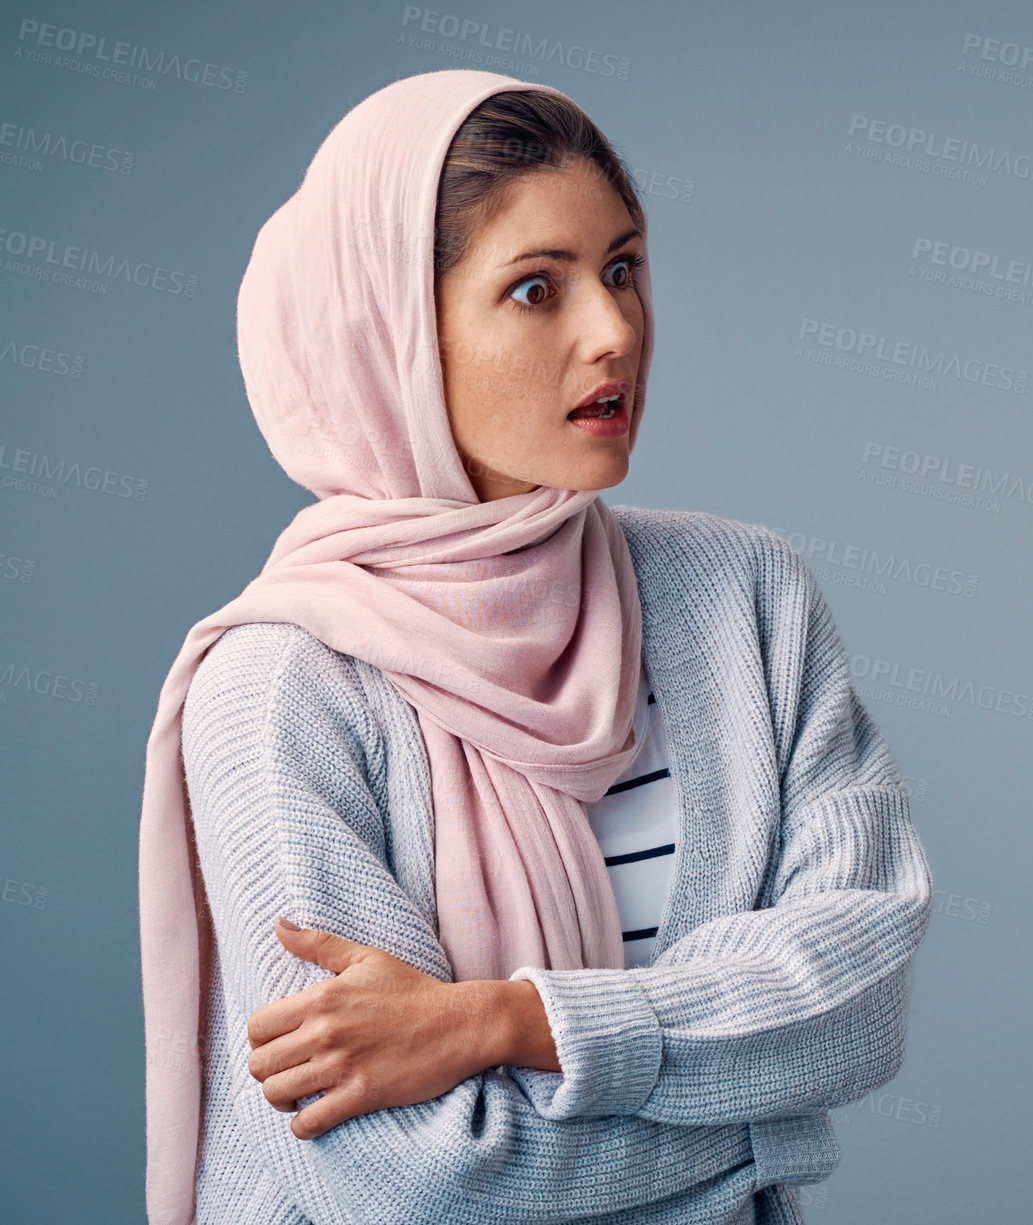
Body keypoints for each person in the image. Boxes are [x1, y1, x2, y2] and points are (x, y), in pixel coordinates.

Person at [137, 69, 933, 1225]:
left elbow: (858, 994)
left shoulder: (742, 599)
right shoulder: (280, 687)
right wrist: (765, 1125)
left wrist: (513, 1023)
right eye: (533, 289)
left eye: (621, 268)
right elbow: (407, 1173)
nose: (612, 331)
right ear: (398, 338)